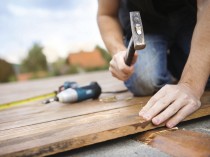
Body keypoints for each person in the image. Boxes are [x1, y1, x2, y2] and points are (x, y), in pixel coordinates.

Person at [97, 0, 210, 128]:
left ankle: (178, 62)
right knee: (144, 80)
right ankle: (175, 66)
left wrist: (191, 85)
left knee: (205, 73)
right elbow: (106, 14)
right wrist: (118, 50)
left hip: (191, 17)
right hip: (147, 24)